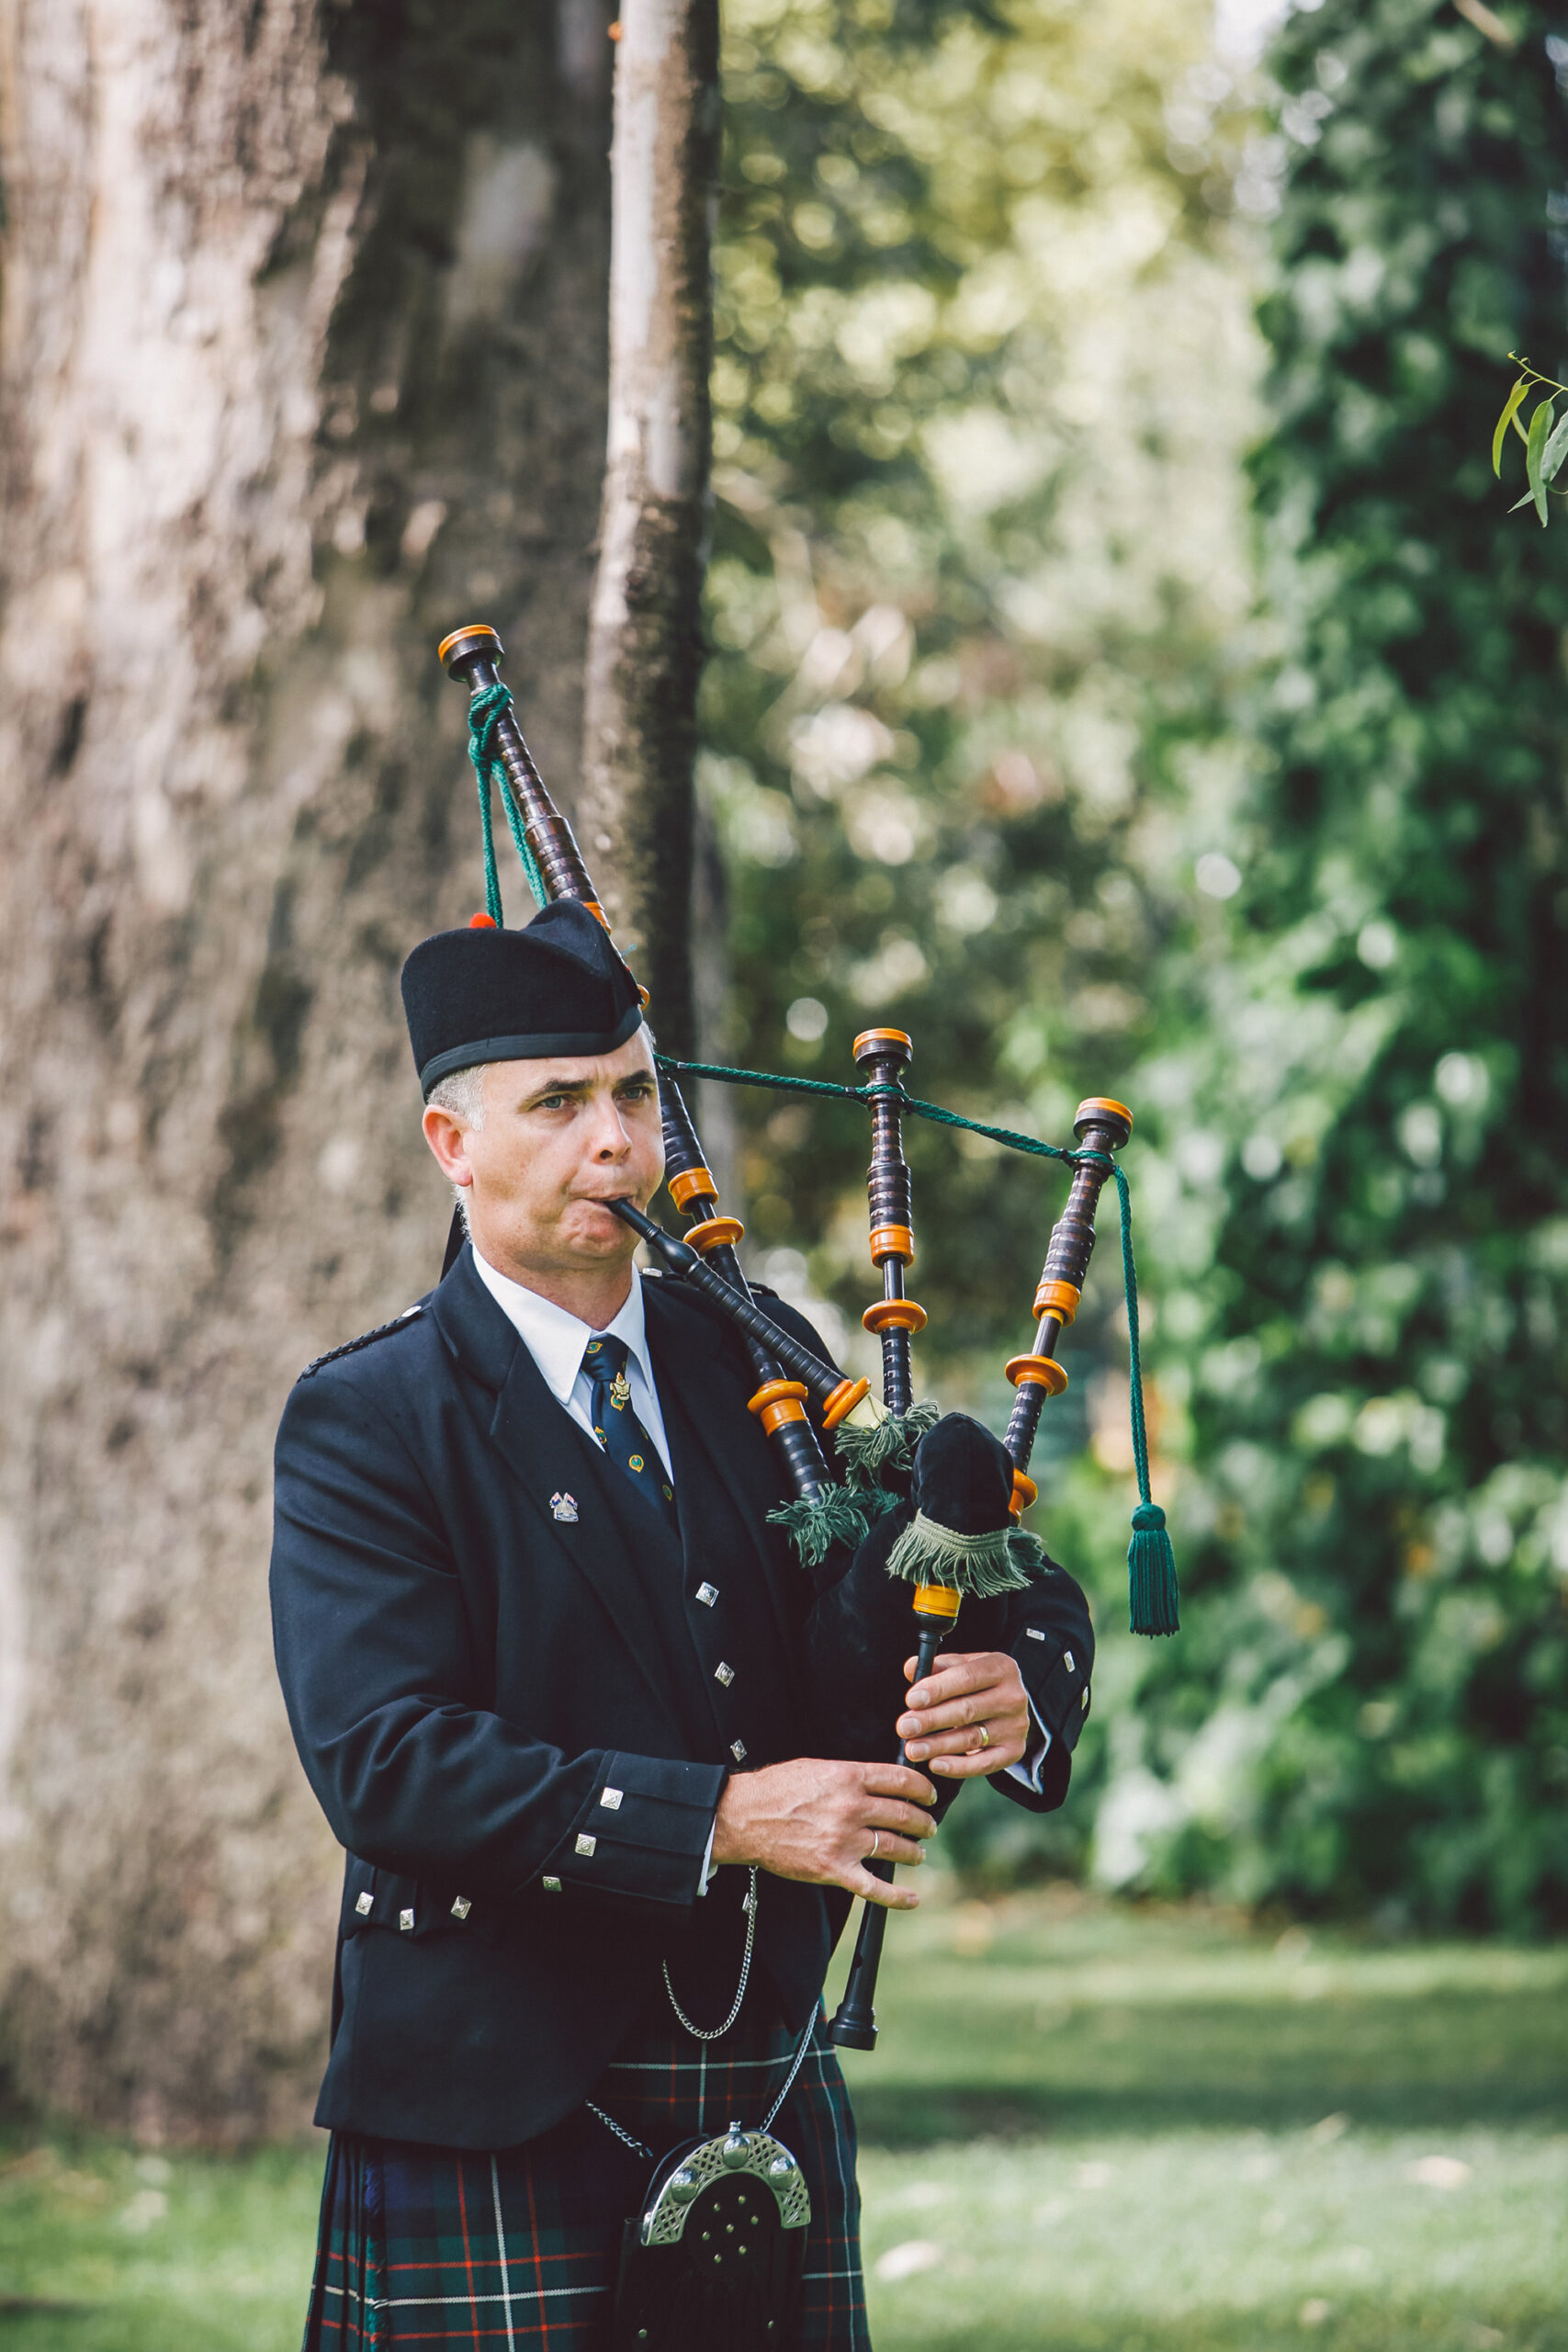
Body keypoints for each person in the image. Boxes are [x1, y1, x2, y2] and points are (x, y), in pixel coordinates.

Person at [270, 899, 1096, 2350]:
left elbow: (991, 1575)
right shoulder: (370, 1420)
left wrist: (1012, 1682)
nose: (617, 1143)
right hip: (493, 2096)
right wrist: (723, 1815)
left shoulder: (754, 1354)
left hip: (754, 2069)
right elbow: (386, 1762)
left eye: (636, 1093)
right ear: (451, 1146)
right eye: (560, 1103)